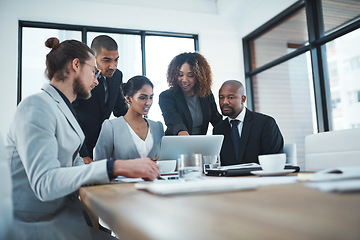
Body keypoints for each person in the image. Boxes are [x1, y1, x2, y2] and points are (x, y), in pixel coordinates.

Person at [6, 37, 160, 240]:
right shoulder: (36, 106)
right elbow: (44, 183)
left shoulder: (63, 109)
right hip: (36, 226)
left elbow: (77, 167)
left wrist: (127, 176)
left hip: (65, 218)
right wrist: (114, 167)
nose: (97, 81)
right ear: (76, 65)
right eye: (93, 71)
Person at [73, 35, 128, 163]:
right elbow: (71, 117)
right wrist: (82, 153)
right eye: (106, 60)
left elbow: (120, 108)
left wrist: (140, 125)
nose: (113, 66)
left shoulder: (117, 76)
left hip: (102, 143)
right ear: (93, 57)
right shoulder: (80, 77)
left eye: (116, 60)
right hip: (79, 145)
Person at [213, 80, 284, 166]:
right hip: (230, 178)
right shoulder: (218, 130)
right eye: (221, 97)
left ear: (243, 99)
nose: (224, 102)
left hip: (259, 177)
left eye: (231, 97)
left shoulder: (265, 123)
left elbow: (273, 159)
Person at [94, 75, 164, 161]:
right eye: (142, 98)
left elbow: (164, 161)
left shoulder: (158, 127)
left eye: (151, 97)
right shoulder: (111, 127)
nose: (148, 102)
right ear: (128, 98)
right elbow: (100, 164)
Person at [159, 52, 222, 135]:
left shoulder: (206, 94)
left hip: (199, 144)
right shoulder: (167, 96)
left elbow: (217, 120)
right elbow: (173, 120)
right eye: (180, 75)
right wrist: (182, 132)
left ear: (200, 76)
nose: (184, 79)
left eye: (190, 75)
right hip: (177, 143)